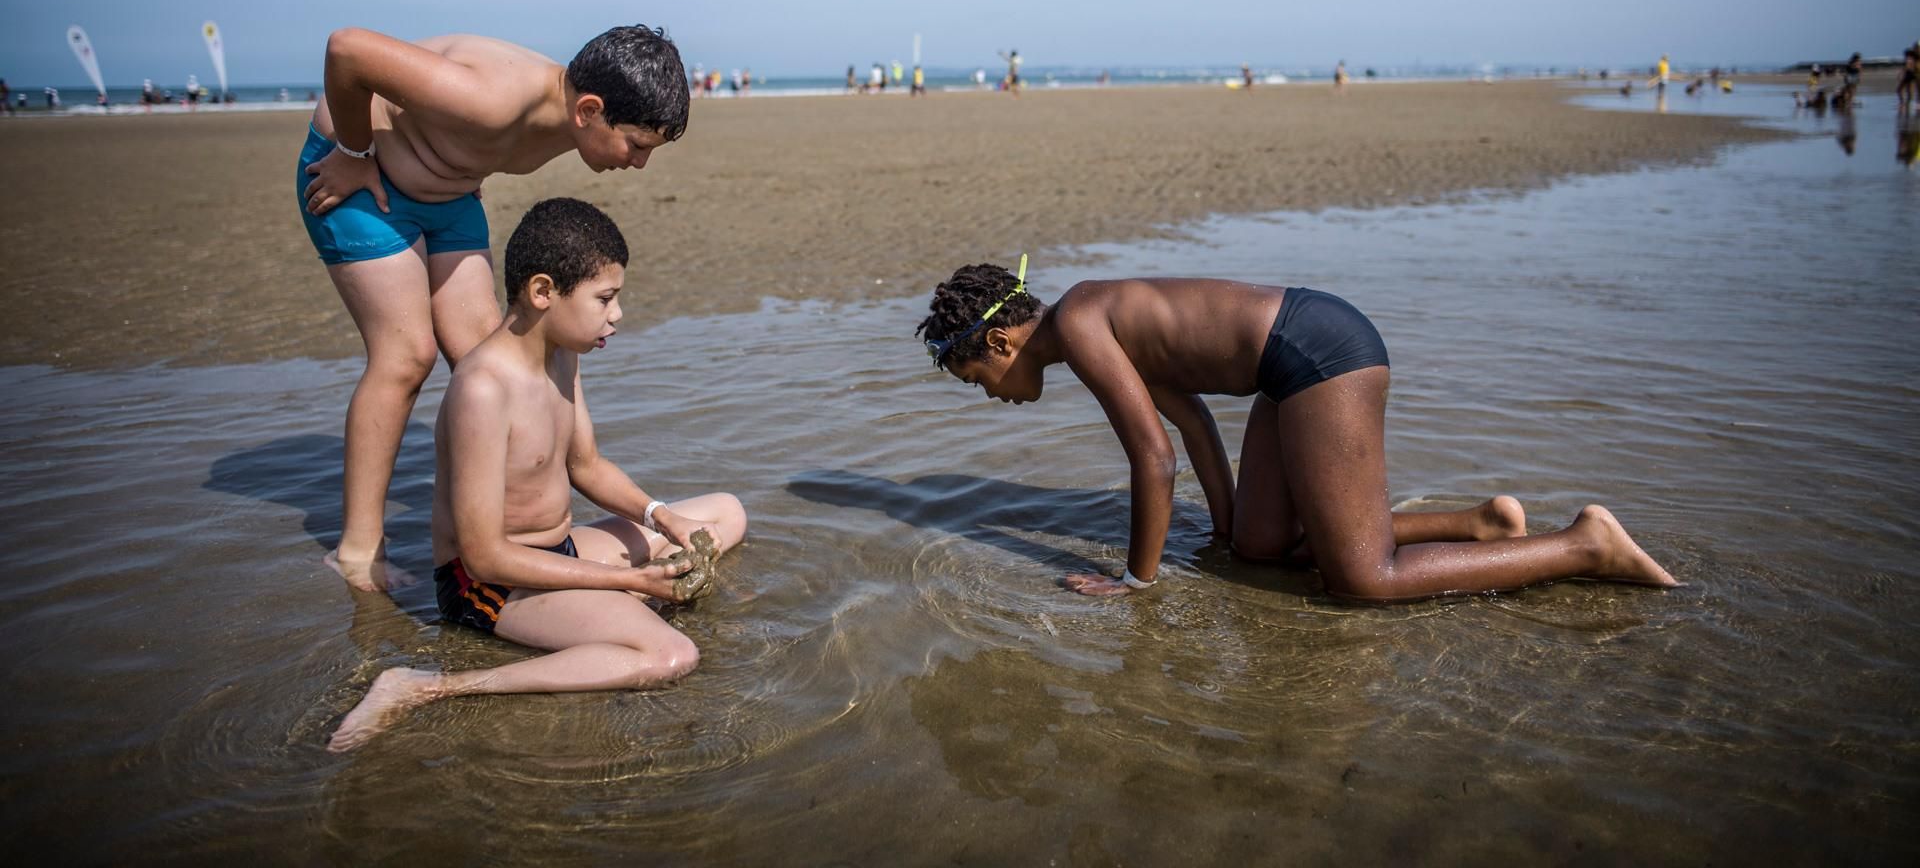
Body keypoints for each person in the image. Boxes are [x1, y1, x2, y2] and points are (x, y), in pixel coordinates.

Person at [914, 260, 1677, 601]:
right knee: (1259, 547)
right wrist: (1225, 528)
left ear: (1001, 344)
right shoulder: (1090, 318)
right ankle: (1482, 524)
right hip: (1286, 367)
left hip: (1320, 351)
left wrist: (1136, 584)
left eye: (978, 380)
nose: (992, 396)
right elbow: (1192, 423)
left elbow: (1153, 460)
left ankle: (1585, 545)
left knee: (1363, 581)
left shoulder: (1081, 326)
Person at [327, 198, 747, 751]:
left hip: (561, 551)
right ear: (543, 291)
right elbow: (483, 557)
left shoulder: (561, 352)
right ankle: (430, 686)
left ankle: (615, 607)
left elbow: (586, 466)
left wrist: (661, 518)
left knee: (726, 511)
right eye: (605, 298)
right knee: (672, 655)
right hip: (491, 586)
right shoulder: (483, 390)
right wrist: (630, 580)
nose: (617, 315)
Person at [299, 25, 689, 592]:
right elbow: (347, 51)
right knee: (407, 357)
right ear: (589, 110)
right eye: (636, 145)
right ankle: (358, 550)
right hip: (357, 180)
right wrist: (355, 152)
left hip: (449, 193)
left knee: (498, 353)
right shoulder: (492, 98)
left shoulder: (571, 114)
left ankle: (501, 536)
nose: (638, 164)